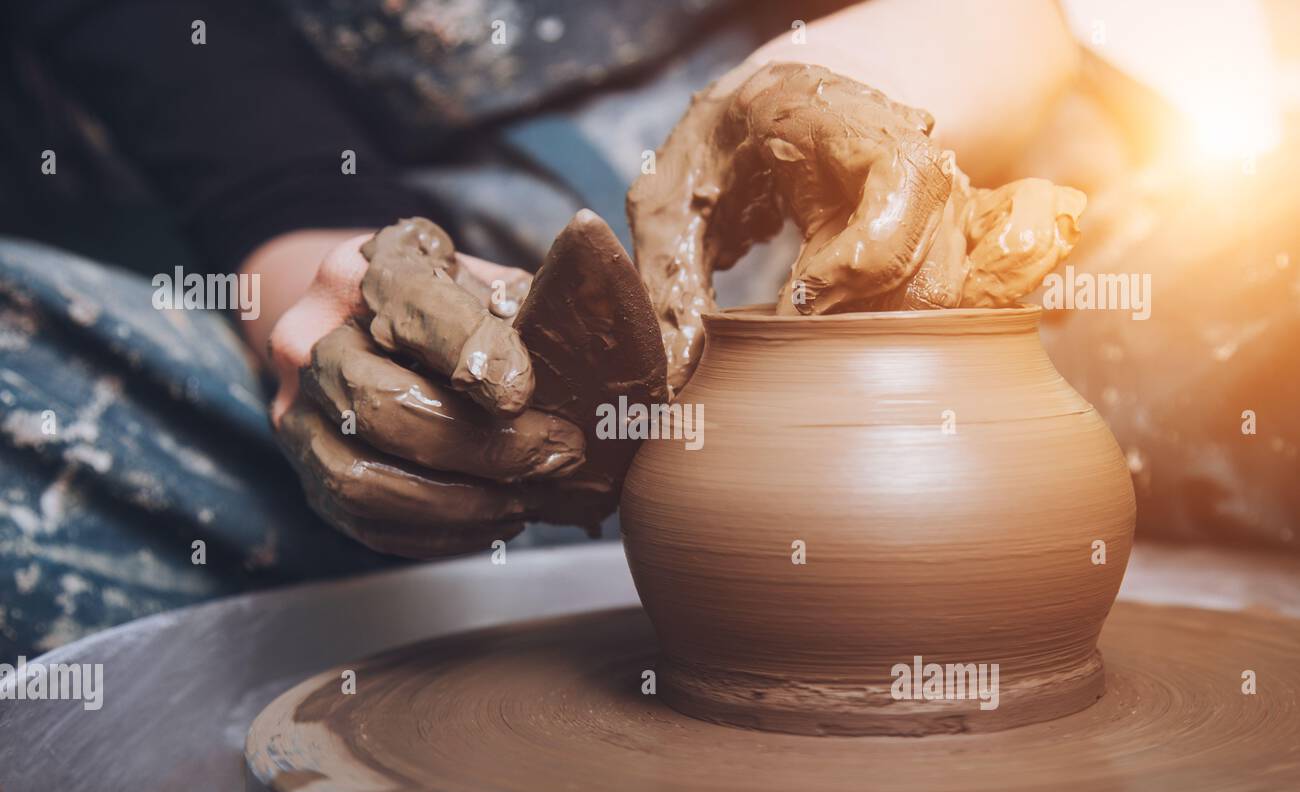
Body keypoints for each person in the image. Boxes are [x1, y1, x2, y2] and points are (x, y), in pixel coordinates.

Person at [0, 0, 1082, 655]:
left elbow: (1017, 22)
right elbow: (274, 197)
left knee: (1235, 303)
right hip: (475, 286)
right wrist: (362, 329)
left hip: (872, 190)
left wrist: (776, 109)